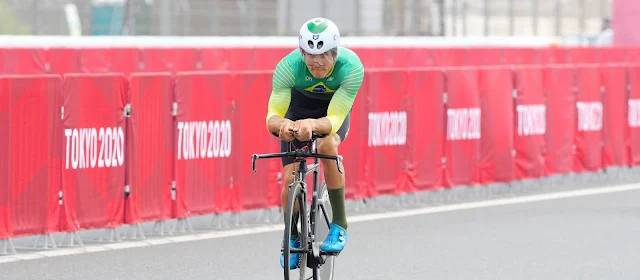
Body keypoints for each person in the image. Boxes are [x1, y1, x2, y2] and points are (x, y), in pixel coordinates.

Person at [265, 17, 364, 270]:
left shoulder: (351, 67)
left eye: (322, 55)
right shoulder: (288, 67)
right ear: (301, 52)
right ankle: (293, 235)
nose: (316, 61)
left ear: (335, 52)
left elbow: (334, 118)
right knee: (289, 178)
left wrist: (312, 124)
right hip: (296, 109)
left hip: (330, 112)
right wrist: (283, 126)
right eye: (310, 54)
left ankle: (340, 224)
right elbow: (272, 116)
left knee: (327, 146)